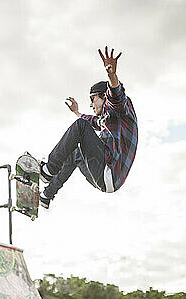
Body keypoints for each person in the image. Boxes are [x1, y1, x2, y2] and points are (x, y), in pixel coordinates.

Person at [39, 46, 138, 209]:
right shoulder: (107, 119)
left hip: (110, 172)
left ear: (104, 96)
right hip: (105, 180)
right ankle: (46, 196)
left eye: (93, 99)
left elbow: (117, 97)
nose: (91, 104)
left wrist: (112, 75)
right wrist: (77, 112)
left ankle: (48, 169)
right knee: (75, 153)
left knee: (81, 126)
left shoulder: (121, 108)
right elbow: (92, 121)